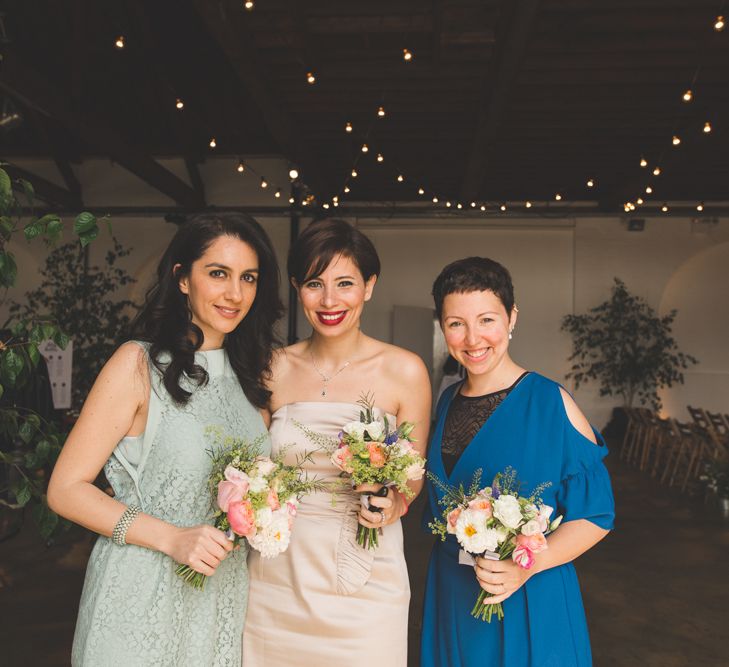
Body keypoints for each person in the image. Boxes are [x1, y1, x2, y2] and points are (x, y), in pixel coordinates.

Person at [47, 213, 283, 666]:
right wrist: (171, 539)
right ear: (182, 278)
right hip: (140, 593)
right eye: (218, 273)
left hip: (221, 598)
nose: (235, 293)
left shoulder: (252, 378)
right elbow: (64, 490)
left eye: (248, 278)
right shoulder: (137, 365)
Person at [243, 218, 431, 666]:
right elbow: (253, 466)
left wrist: (394, 504)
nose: (329, 301)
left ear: (369, 286)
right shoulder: (271, 368)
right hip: (277, 575)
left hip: (367, 574)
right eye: (314, 283)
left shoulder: (405, 370)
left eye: (345, 283)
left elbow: (413, 478)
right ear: (296, 287)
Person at [421, 257, 614, 667]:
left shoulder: (549, 402)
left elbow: (596, 514)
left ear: (512, 318)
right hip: (453, 592)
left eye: (487, 320)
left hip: (528, 597)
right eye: (456, 323)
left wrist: (527, 566)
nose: (473, 339)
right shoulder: (446, 400)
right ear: (442, 327)